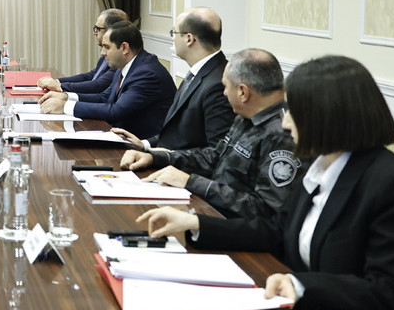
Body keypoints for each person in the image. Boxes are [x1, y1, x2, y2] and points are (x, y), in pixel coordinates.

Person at [137, 56, 394, 310]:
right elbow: (277, 231)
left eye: (295, 111)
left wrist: (302, 286)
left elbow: (393, 294)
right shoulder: (322, 167)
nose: (285, 122)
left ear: (327, 115)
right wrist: (196, 224)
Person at [119, 48, 299, 220]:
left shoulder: (283, 134)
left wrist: (191, 182)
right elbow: (214, 157)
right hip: (211, 210)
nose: (224, 93)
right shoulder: (246, 115)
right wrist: (156, 157)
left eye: (226, 87)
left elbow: (265, 210)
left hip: (235, 231)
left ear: (243, 92)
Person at [116, 7, 233, 150]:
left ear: (189, 39)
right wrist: (145, 144)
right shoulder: (197, 72)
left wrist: (161, 156)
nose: (172, 38)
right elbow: (178, 132)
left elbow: (216, 151)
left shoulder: (219, 83)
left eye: (174, 33)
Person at [39, 22, 174, 141]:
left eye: (106, 47)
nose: (102, 53)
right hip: (120, 137)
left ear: (124, 48)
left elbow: (116, 110)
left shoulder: (147, 73)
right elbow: (104, 97)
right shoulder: (127, 66)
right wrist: (66, 97)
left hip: (143, 147)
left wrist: (65, 106)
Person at [38, 9, 127, 94]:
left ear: (111, 30)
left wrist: (59, 86)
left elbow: (99, 86)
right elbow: (90, 76)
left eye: (97, 28)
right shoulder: (106, 55)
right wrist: (56, 82)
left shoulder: (119, 57)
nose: (94, 33)